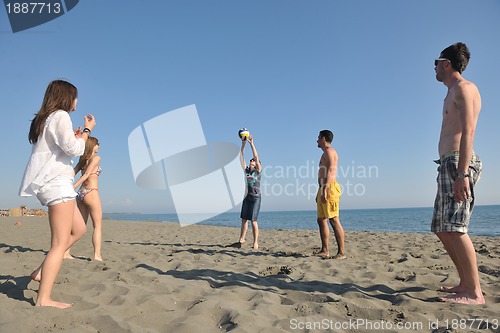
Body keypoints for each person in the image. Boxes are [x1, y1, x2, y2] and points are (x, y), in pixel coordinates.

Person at [19, 80, 96, 308]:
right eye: (75, 96)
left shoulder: (48, 118)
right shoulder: (60, 115)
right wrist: (87, 132)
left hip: (56, 183)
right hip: (56, 184)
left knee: (80, 229)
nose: (77, 101)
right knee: (59, 243)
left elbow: (62, 146)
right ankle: (43, 298)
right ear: (66, 97)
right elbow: (74, 149)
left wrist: (74, 136)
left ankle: (40, 272)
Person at [432, 42, 484, 304]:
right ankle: (464, 282)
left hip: (458, 165)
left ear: (446, 63)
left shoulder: (464, 88)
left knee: (455, 227)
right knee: (443, 228)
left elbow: (469, 131)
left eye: (436, 63)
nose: (434, 68)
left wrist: (462, 173)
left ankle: (474, 292)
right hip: (449, 164)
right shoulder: (452, 91)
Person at [64, 136, 103, 261]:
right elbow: (86, 175)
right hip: (91, 192)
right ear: (92, 146)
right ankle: (97, 255)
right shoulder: (96, 158)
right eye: (97, 144)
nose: (99, 146)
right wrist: (72, 187)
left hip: (81, 194)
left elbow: (71, 173)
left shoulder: (82, 160)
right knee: (97, 225)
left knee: (79, 226)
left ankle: (65, 252)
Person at [315, 130, 345, 259]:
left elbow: (332, 171)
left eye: (318, 137)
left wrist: (326, 189)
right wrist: (320, 190)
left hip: (330, 188)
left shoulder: (330, 151)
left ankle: (341, 253)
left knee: (334, 219)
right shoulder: (325, 153)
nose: (316, 140)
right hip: (323, 187)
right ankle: (325, 250)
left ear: (323, 138)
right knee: (321, 219)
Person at [238, 135, 262, 249]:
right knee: (244, 219)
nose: (251, 160)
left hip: (256, 197)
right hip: (246, 197)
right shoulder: (246, 170)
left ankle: (255, 242)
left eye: (253, 160)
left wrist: (251, 143)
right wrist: (243, 144)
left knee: (253, 221)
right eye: (251, 160)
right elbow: (241, 156)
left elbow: (256, 156)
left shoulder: (258, 170)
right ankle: (241, 238)